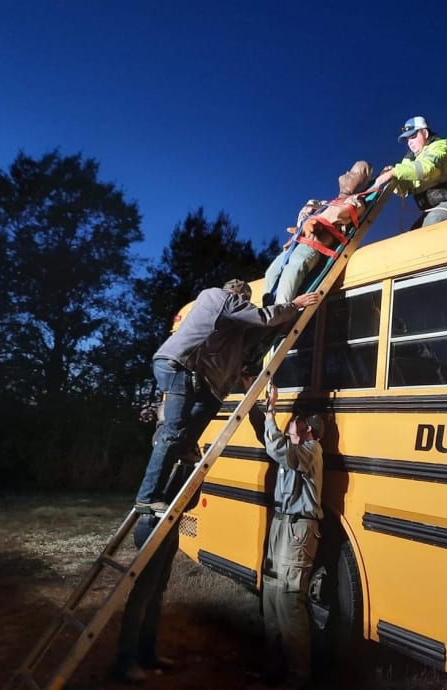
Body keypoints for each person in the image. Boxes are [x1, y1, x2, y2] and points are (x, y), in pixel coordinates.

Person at [135, 279, 320, 512]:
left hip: (197, 375)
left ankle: (183, 446)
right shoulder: (220, 297)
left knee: (208, 406)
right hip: (181, 366)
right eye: (246, 300)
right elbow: (264, 317)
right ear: (240, 295)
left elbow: (238, 348)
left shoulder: (226, 322)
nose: (246, 304)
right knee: (173, 432)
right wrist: (294, 305)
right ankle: (148, 496)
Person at [259, 385, 325, 689]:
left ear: (308, 428)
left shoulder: (309, 450)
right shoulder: (295, 447)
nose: (292, 420)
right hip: (281, 524)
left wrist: (271, 411)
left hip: (298, 530)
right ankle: (273, 668)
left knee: (288, 600)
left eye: (297, 419)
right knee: (271, 594)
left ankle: (298, 678)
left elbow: (278, 450)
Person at [264, 160, 373, 305]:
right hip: (294, 246)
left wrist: (316, 223)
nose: (347, 174)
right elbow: (307, 213)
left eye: (355, 173)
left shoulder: (355, 202)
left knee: (293, 269)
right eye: (349, 170)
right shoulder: (325, 203)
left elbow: (340, 214)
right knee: (272, 272)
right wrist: (303, 224)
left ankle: (281, 311)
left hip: (311, 247)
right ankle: (266, 312)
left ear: (364, 183)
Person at [112, 514, 180, 684]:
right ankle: (125, 661)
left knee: (156, 593)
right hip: (154, 525)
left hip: (171, 524)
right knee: (142, 595)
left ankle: (147, 653)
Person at [373, 115, 447, 230]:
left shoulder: (440, 147)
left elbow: (428, 168)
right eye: (408, 139)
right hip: (431, 210)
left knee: (431, 224)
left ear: (425, 133)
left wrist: (395, 172)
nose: (410, 142)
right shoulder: (409, 160)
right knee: (412, 235)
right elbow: (404, 189)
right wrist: (393, 180)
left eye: (413, 136)